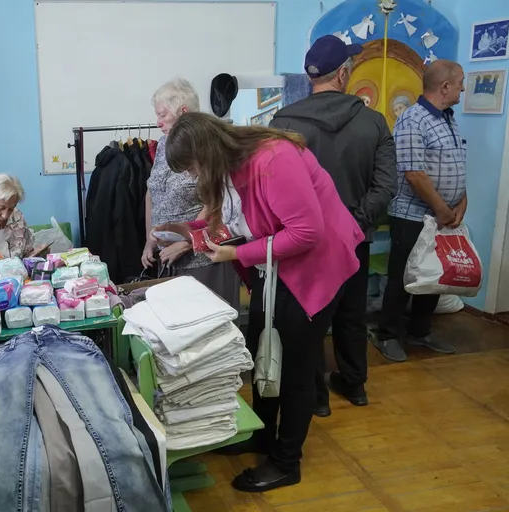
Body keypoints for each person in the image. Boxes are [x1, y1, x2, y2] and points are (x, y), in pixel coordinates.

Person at [154, 112, 364, 492]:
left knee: (295, 367)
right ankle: (264, 434)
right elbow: (238, 221)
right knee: (262, 350)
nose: (195, 178)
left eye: (194, 168)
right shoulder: (233, 166)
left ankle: (287, 462)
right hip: (277, 267)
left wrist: (237, 255)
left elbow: (307, 233)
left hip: (315, 267)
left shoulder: (273, 159)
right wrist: (189, 231)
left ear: (208, 152)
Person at [269, 35, 397, 416]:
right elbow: (385, 185)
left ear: (314, 76)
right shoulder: (374, 122)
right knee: (351, 313)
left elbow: (271, 186)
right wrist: (352, 223)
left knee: (308, 318)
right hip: (353, 238)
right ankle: (355, 385)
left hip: (300, 243)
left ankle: (317, 398)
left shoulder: (283, 122)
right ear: (343, 74)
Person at [375, 60, 466, 362]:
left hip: (444, 215)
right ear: (444, 87)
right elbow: (413, 173)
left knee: (435, 275)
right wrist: (442, 209)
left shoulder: (448, 118)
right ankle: (386, 334)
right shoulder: (413, 120)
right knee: (403, 276)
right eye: (460, 82)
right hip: (412, 214)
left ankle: (420, 331)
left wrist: (461, 202)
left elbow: (454, 164)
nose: (463, 88)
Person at [142, 78, 240, 311]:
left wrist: (188, 242)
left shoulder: (206, 145)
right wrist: (150, 239)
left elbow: (217, 203)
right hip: (170, 255)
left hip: (205, 256)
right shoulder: (165, 145)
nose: (158, 123)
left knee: (209, 322)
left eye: (163, 115)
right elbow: (152, 191)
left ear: (184, 111)